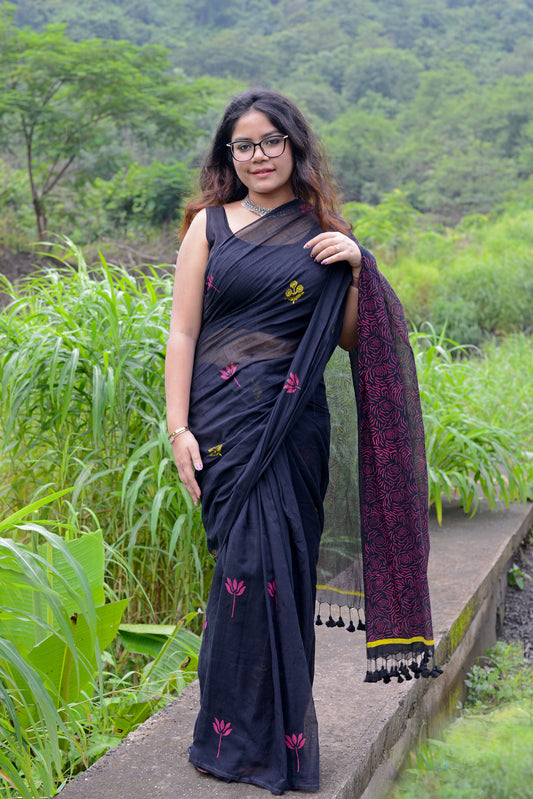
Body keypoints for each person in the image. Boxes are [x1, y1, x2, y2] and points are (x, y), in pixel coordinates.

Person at [165, 88, 437, 795]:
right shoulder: (208, 227)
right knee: (239, 571)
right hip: (221, 427)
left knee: (279, 573)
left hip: (291, 431)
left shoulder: (320, 232)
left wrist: (357, 267)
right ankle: (227, 739)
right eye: (244, 145)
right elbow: (184, 331)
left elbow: (349, 338)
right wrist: (177, 427)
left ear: (294, 145)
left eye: (270, 141)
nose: (258, 155)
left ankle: (279, 744)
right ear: (228, 155)